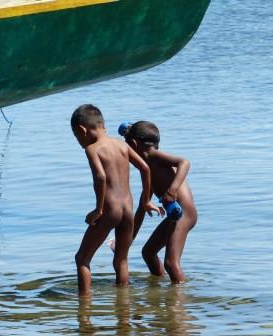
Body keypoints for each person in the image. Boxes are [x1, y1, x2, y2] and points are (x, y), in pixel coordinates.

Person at [70, 105, 159, 295]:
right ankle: (124, 310)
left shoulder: (92, 149)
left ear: (82, 130)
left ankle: (84, 309)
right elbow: (145, 168)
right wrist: (146, 200)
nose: (79, 142)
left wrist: (98, 209)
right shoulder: (122, 145)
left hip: (110, 209)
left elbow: (100, 177)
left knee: (82, 259)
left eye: (77, 137)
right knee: (121, 261)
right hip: (128, 209)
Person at [120, 121, 197, 283]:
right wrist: (127, 242)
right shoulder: (145, 168)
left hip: (184, 213)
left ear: (133, 145)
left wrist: (172, 191)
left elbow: (184, 162)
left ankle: (179, 300)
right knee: (148, 252)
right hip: (174, 215)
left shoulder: (154, 156)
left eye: (126, 149)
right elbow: (143, 206)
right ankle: (159, 287)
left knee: (170, 262)